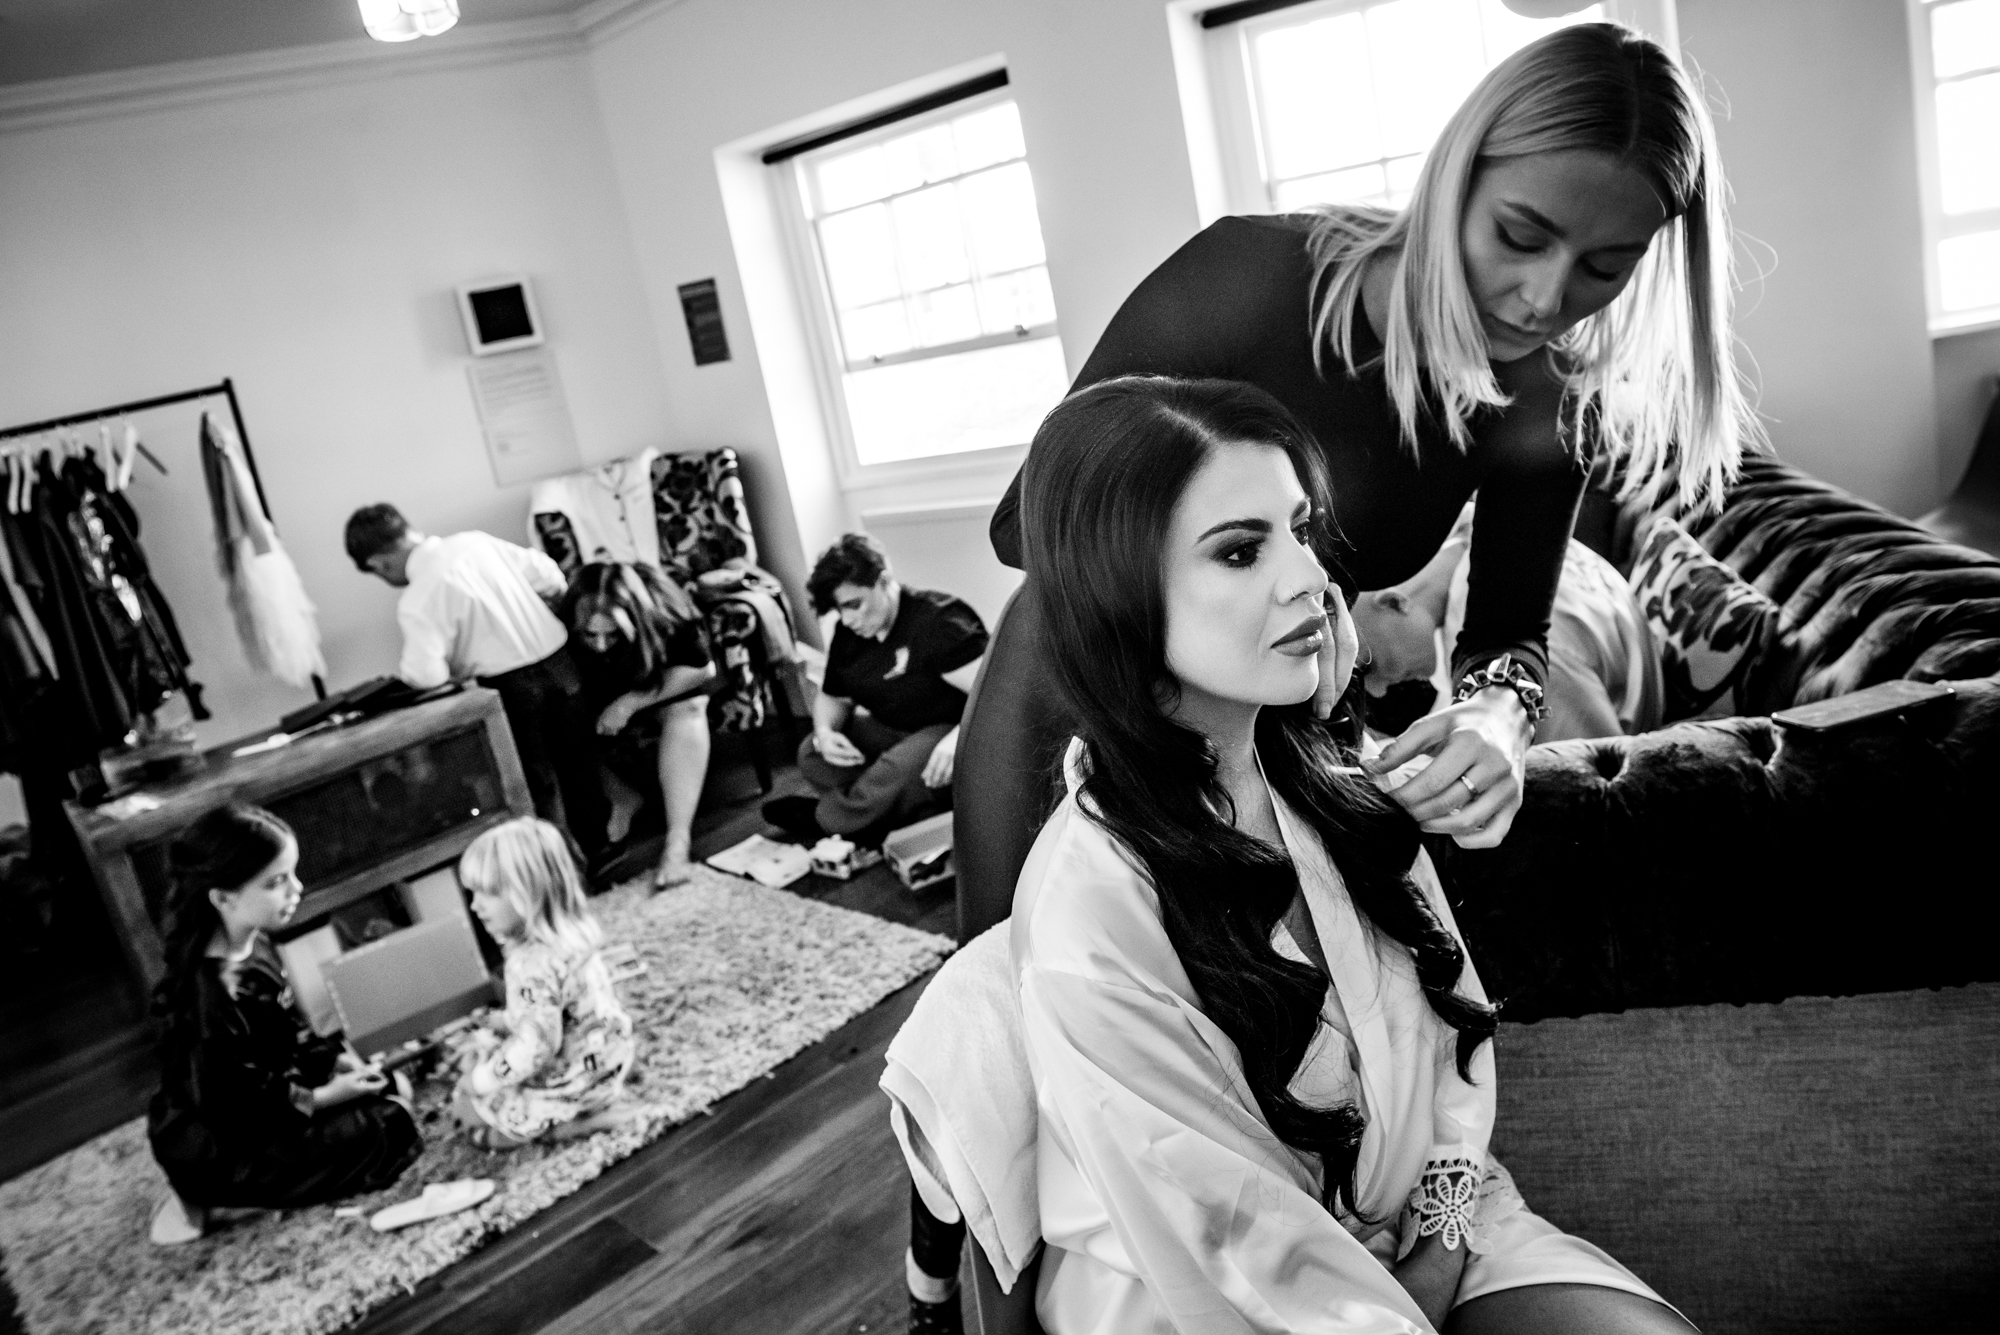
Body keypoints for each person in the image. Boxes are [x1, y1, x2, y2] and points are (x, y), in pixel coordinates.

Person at [960, 22, 1757, 937]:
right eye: (1519, 235)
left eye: (1604, 269)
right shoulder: (1248, 276)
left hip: (1280, 737)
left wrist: (1499, 713)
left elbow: (1507, 637)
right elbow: (1026, 524)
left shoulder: (1549, 399)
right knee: (1017, 1016)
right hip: (1081, 697)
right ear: (1459, 174)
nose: (1546, 298)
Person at [1005, 374, 1689, 1333]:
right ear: (1118, 591)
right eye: (1243, 550)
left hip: (1438, 1222)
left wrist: (1443, 1237)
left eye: (1300, 527)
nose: (1312, 583)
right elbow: (1223, 1246)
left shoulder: (1338, 780)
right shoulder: (1091, 912)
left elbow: (1452, 1053)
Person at [147, 805, 420, 1245]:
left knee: (392, 1086)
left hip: (273, 1094)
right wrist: (328, 1096)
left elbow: (290, 1028)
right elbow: (235, 1104)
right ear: (223, 897)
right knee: (391, 1123)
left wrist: (335, 1064)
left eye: (292, 874)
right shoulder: (213, 996)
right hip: (228, 1140)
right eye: (276, 883)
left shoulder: (254, 940)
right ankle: (222, 1199)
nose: (297, 890)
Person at [345, 503, 605, 864]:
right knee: (581, 764)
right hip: (561, 660)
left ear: (377, 562)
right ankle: (601, 852)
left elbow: (427, 676)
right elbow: (547, 574)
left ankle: (561, 871)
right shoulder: (476, 543)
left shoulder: (418, 598)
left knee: (535, 784)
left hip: (510, 687)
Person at [1354, 504, 1663, 744]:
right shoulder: (1496, 538)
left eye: (1370, 666)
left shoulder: (1513, 642)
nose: (1378, 691)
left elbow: (1592, 780)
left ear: (1394, 601)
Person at [762, 534, 987, 844]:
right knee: (811, 753)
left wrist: (958, 738)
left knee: (901, 769)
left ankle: (829, 820)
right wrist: (825, 734)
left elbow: (997, 695)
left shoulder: (940, 620)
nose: (848, 618)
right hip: (894, 732)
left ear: (883, 581)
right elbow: (833, 696)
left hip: (953, 735)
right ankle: (897, 812)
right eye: (840, 610)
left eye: (854, 604)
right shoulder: (849, 632)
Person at [451, 817, 640, 1150]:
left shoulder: (531, 965)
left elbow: (536, 1049)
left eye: (488, 893)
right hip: (610, 1053)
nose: (474, 905)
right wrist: (509, 1019)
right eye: (473, 892)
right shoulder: (571, 932)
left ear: (529, 894)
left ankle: (567, 1127)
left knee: (468, 1111)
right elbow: (554, 1007)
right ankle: (594, 1102)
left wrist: (480, 1081)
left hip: (575, 1077)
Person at [563, 562, 718, 889]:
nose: (601, 644)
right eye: (590, 635)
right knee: (561, 722)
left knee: (689, 707)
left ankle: (678, 842)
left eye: (612, 634)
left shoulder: (664, 605)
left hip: (661, 685)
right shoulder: (566, 610)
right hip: (599, 693)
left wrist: (630, 703)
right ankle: (622, 796)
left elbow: (701, 670)